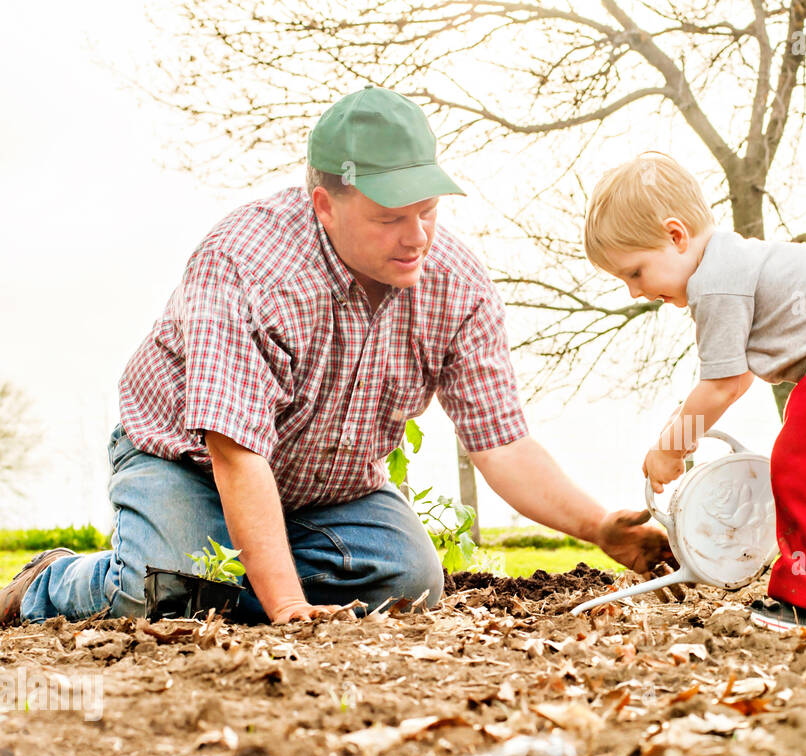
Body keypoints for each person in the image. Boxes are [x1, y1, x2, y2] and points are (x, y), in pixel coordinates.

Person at [0, 87, 672, 627]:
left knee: (409, 581)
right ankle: (51, 582)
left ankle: (234, 578)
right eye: (390, 218)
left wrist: (596, 526)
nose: (418, 237)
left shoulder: (456, 282)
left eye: (429, 210)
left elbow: (502, 443)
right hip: (190, 463)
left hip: (330, 485)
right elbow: (236, 454)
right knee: (166, 594)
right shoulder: (244, 265)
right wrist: (290, 610)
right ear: (326, 204)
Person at [583, 151, 806, 630]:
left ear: (676, 236)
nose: (634, 292)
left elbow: (723, 385)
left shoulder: (715, 283)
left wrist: (671, 447)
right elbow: (736, 377)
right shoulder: (733, 262)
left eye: (635, 272)